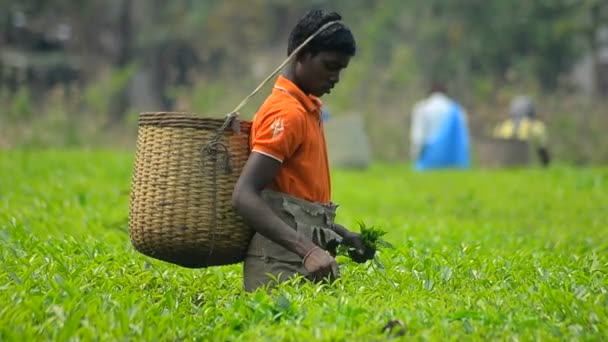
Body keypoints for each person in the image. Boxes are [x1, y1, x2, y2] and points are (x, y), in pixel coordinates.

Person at [231, 10, 375, 292]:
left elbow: (297, 202)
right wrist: (308, 251)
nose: (335, 78)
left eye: (340, 70)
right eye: (329, 66)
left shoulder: (307, 110)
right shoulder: (286, 114)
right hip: (280, 264)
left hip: (308, 260)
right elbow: (244, 196)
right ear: (301, 55)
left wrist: (342, 235)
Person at [409, 82, 471, 170]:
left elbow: (418, 137)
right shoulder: (456, 110)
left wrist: (415, 156)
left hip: (429, 160)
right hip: (452, 161)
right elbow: (464, 138)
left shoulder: (422, 108)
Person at [492, 95, 550, 166]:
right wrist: (546, 165)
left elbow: (495, 148)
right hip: (525, 164)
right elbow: (542, 148)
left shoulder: (502, 126)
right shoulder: (536, 126)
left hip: (504, 164)